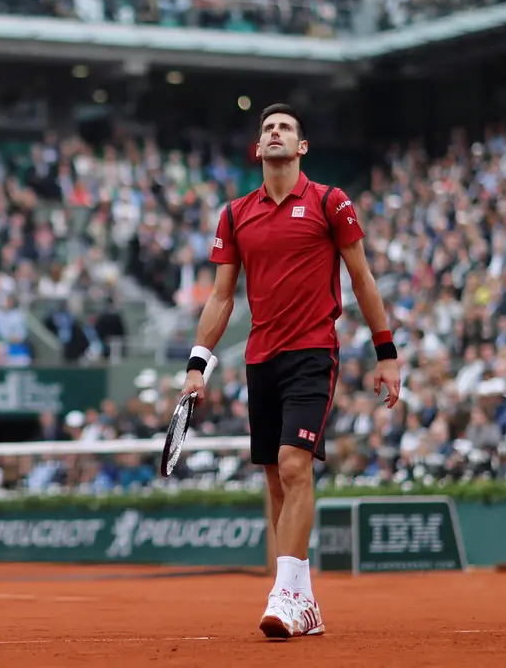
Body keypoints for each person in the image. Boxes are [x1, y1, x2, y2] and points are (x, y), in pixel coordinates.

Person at [182, 103, 401, 639]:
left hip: (313, 353)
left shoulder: (331, 202)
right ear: (257, 148)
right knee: (278, 479)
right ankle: (305, 603)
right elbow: (220, 298)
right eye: (267, 129)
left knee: (295, 466)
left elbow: (363, 280)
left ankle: (283, 594)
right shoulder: (235, 214)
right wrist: (197, 363)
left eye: (284, 128)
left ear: (301, 147)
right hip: (260, 358)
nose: (274, 133)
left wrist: (387, 351)